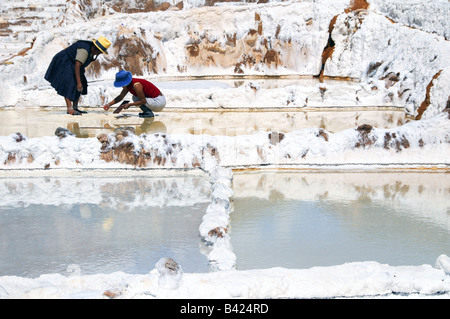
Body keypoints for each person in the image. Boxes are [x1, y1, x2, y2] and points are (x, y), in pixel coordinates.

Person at [45, 36, 111, 115]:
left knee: (82, 83)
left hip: (73, 64)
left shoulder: (91, 51)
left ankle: (75, 107)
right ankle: (69, 108)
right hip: (65, 61)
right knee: (70, 83)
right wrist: (78, 82)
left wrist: (80, 82)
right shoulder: (84, 50)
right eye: (99, 52)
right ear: (94, 48)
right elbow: (77, 65)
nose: (99, 54)